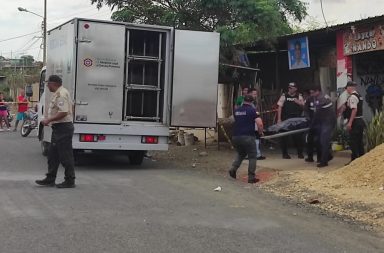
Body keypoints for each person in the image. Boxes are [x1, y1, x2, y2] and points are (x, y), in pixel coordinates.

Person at [36, 75, 76, 188]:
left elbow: (63, 112)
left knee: (65, 155)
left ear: (54, 83)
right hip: (58, 128)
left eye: (48, 83)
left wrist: (49, 119)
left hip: (63, 128)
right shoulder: (59, 92)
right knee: (53, 155)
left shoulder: (61, 94)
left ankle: (70, 180)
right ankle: (50, 178)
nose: (47, 86)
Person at [229, 95, 264, 184]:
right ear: (252, 102)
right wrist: (260, 133)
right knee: (252, 156)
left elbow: (232, 121)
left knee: (241, 153)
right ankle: (251, 178)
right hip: (248, 136)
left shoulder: (236, 111)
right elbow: (259, 124)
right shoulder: (252, 110)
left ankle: (233, 169)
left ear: (243, 101)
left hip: (236, 137)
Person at [310, 86, 336, 168]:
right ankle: (328, 156)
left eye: (312, 92)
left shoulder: (321, 99)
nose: (311, 94)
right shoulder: (323, 95)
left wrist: (312, 125)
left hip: (328, 122)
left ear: (317, 91)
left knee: (324, 141)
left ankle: (324, 162)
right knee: (321, 140)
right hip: (326, 121)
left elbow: (316, 114)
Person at [277, 82, 305, 159]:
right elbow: (279, 107)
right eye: (289, 87)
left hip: (296, 119)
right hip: (286, 119)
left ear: (296, 88)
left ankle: (300, 153)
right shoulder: (284, 96)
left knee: (298, 136)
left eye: (291, 88)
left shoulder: (299, 96)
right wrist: (279, 119)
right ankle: (285, 154)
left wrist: (299, 102)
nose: (290, 89)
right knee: (284, 137)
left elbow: (304, 106)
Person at [341, 81, 366, 163]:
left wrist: (350, 123)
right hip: (359, 121)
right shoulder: (359, 95)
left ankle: (354, 161)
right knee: (359, 142)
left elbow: (354, 110)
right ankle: (361, 160)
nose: (346, 90)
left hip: (355, 122)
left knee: (354, 142)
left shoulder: (352, 97)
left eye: (347, 88)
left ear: (350, 87)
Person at [248, 88, 266, 160]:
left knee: (256, 137)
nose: (255, 96)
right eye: (254, 94)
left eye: (256, 94)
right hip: (249, 123)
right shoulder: (241, 99)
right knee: (253, 138)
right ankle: (255, 154)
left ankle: (257, 154)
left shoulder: (253, 102)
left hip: (253, 122)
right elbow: (237, 108)